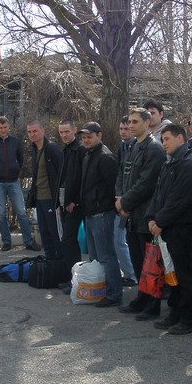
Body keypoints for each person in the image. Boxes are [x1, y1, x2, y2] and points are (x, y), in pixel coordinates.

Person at [146, 124, 192, 334]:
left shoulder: (189, 164)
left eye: (167, 139)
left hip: (183, 230)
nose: (164, 144)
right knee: (172, 274)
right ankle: (175, 312)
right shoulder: (170, 162)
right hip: (168, 229)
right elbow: (159, 193)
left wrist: (159, 221)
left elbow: (179, 200)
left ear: (180, 138)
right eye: (162, 140)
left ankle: (188, 318)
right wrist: (151, 217)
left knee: (185, 275)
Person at [116, 108, 166, 319]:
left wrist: (125, 202)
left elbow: (146, 184)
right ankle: (142, 297)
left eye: (136, 122)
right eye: (130, 122)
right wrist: (119, 198)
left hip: (146, 215)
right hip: (132, 214)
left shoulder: (153, 148)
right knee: (138, 260)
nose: (131, 125)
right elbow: (123, 174)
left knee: (150, 262)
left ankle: (152, 304)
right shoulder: (134, 146)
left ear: (147, 122)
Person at [77, 122, 122, 307]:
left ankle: (114, 294)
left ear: (99, 135)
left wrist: (108, 206)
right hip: (90, 213)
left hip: (102, 213)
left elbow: (114, 187)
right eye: (84, 137)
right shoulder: (88, 155)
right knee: (95, 257)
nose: (86, 140)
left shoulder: (105, 157)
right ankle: (100, 289)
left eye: (90, 136)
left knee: (106, 256)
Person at [0, 116, 40, 252]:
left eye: (5, 127)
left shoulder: (15, 142)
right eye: (0, 128)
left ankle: (28, 241)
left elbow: (20, 159)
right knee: (1, 213)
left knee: (21, 212)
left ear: (9, 127)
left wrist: (15, 172)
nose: (3, 130)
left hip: (14, 182)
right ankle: (6, 242)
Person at [26, 120, 63, 259]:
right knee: (44, 233)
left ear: (43, 131)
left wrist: (60, 199)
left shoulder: (52, 148)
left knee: (55, 233)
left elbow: (61, 173)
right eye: (29, 132)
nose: (32, 134)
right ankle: (49, 262)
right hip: (39, 198)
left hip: (51, 199)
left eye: (35, 131)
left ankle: (60, 264)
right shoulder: (35, 149)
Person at [56, 120, 85, 289]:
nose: (64, 135)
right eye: (61, 132)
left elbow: (83, 179)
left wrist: (76, 201)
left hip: (75, 204)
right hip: (64, 202)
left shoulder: (79, 149)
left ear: (74, 130)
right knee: (67, 241)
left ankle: (77, 280)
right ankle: (72, 278)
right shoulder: (66, 149)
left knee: (69, 241)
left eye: (67, 131)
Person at [114, 116, 137, 286]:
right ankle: (130, 273)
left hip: (132, 202)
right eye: (121, 128)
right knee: (119, 239)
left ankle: (132, 275)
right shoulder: (122, 147)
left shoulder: (137, 147)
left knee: (120, 239)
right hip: (121, 200)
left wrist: (126, 201)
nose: (123, 131)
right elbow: (120, 175)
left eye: (126, 128)